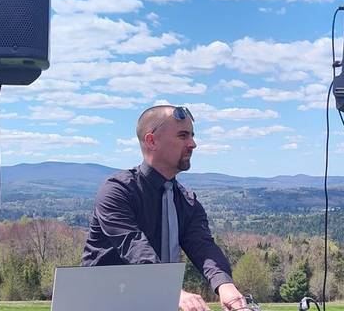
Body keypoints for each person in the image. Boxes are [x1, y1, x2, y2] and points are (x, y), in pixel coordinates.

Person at [81, 105, 247, 311]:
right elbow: (134, 246)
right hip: (103, 302)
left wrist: (225, 286)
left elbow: (203, 247)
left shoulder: (187, 201)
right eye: (183, 136)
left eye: (192, 136)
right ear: (152, 141)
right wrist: (171, 289)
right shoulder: (118, 191)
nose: (192, 144)